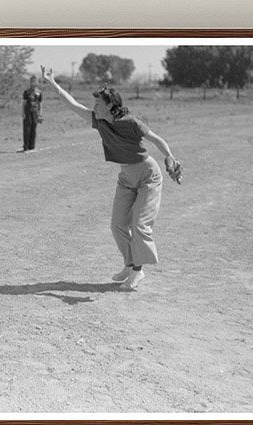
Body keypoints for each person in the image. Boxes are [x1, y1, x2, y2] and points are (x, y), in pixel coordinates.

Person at [42, 67, 180, 291]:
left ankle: (138, 271)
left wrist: (171, 158)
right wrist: (52, 83)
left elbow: (157, 140)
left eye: (98, 104)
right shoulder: (100, 122)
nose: (94, 107)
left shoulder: (131, 123)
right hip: (126, 177)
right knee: (117, 225)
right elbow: (73, 105)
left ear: (111, 106)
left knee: (139, 225)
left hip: (147, 175)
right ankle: (130, 264)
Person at [20, 74, 42, 152]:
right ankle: (25, 146)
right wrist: (23, 113)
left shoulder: (39, 92)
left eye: (35, 81)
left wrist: (40, 114)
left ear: (37, 82)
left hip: (35, 113)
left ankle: (31, 146)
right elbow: (24, 103)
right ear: (30, 82)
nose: (33, 83)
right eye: (32, 81)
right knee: (27, 129)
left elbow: (40, 104)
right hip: (28, 112)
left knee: (34, 129)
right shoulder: (26, 92)